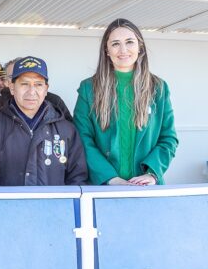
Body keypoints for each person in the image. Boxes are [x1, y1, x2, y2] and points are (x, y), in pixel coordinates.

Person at [73, 18, 178, 185]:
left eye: (129, 42)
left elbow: (168, 138)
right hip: (103, 187)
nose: (123, 50)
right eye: (115, 44)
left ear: (140, 46)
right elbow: (82, 138)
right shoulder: (88, 88)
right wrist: (110, 178)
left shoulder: (158, 88)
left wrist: (152, 174)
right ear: (106, 50)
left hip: (147, 187)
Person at [0, 56, 88, 186]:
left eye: (38, 84)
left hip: (54, 206)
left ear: (46, 89)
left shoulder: (66, 130)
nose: (31, 91)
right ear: (12, 88)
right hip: (5, 206)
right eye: (24, 84)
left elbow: (77, 179)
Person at [0, 58, 73, 122]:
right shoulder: (2, 100)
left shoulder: (54, 100)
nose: (31, 92)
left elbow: (69, 129)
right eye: (11, 77)